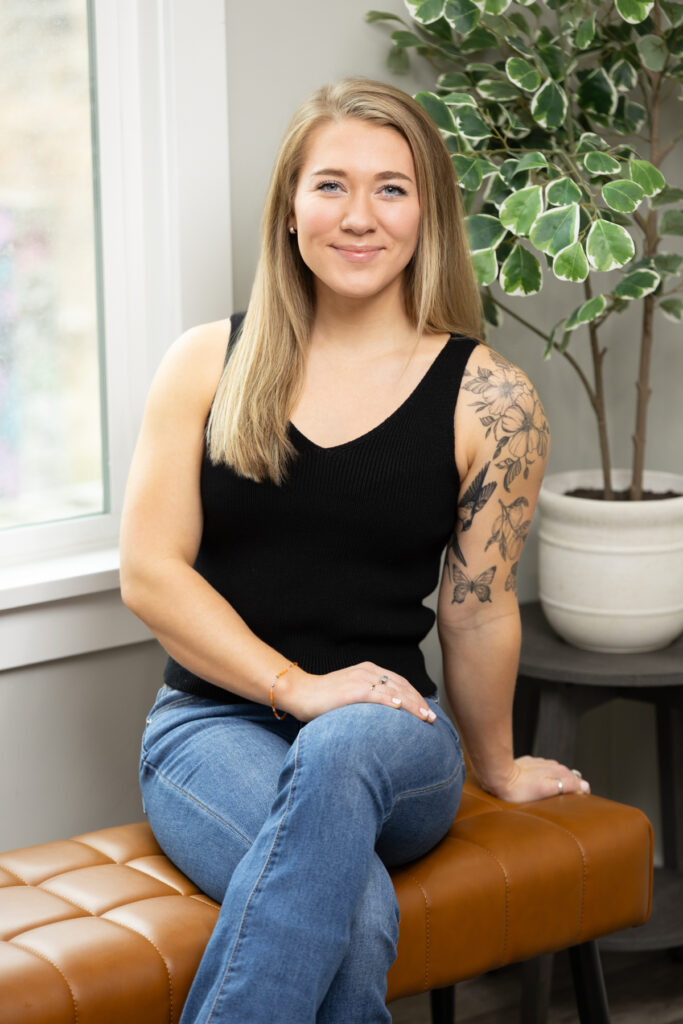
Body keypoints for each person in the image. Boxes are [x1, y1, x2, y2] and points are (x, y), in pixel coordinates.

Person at [120, 78, 590, 1024]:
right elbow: (149, 574)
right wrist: (297, 687)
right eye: (330, 185)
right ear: (289, 210)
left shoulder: (490, 400)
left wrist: (494, 765)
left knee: (350, 735)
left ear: (428, 214)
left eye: (391, 188)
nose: (359, 216)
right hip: (210, 731)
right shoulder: (207, 363)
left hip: (391, 735)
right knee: (358, 907)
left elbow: (478, 606)